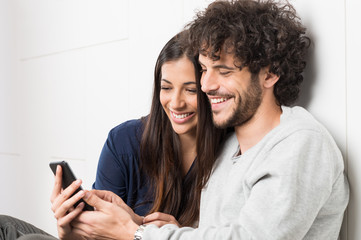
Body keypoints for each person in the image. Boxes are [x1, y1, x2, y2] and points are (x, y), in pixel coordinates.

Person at [59, 0, 349, 239]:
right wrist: (139, 221)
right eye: (204, 69)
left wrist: (134, 233)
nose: (207, 85)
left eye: (223, 71)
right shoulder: (228, 149)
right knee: (12, 228)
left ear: (269, 74)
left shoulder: (301, 144)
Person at [0, 30, 225, 239]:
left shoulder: (229, 153)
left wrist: (175, 236)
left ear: (209, 90)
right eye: (166, 88)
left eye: (191, 90)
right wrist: (69, 231)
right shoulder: (124, 141)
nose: (176, 103)